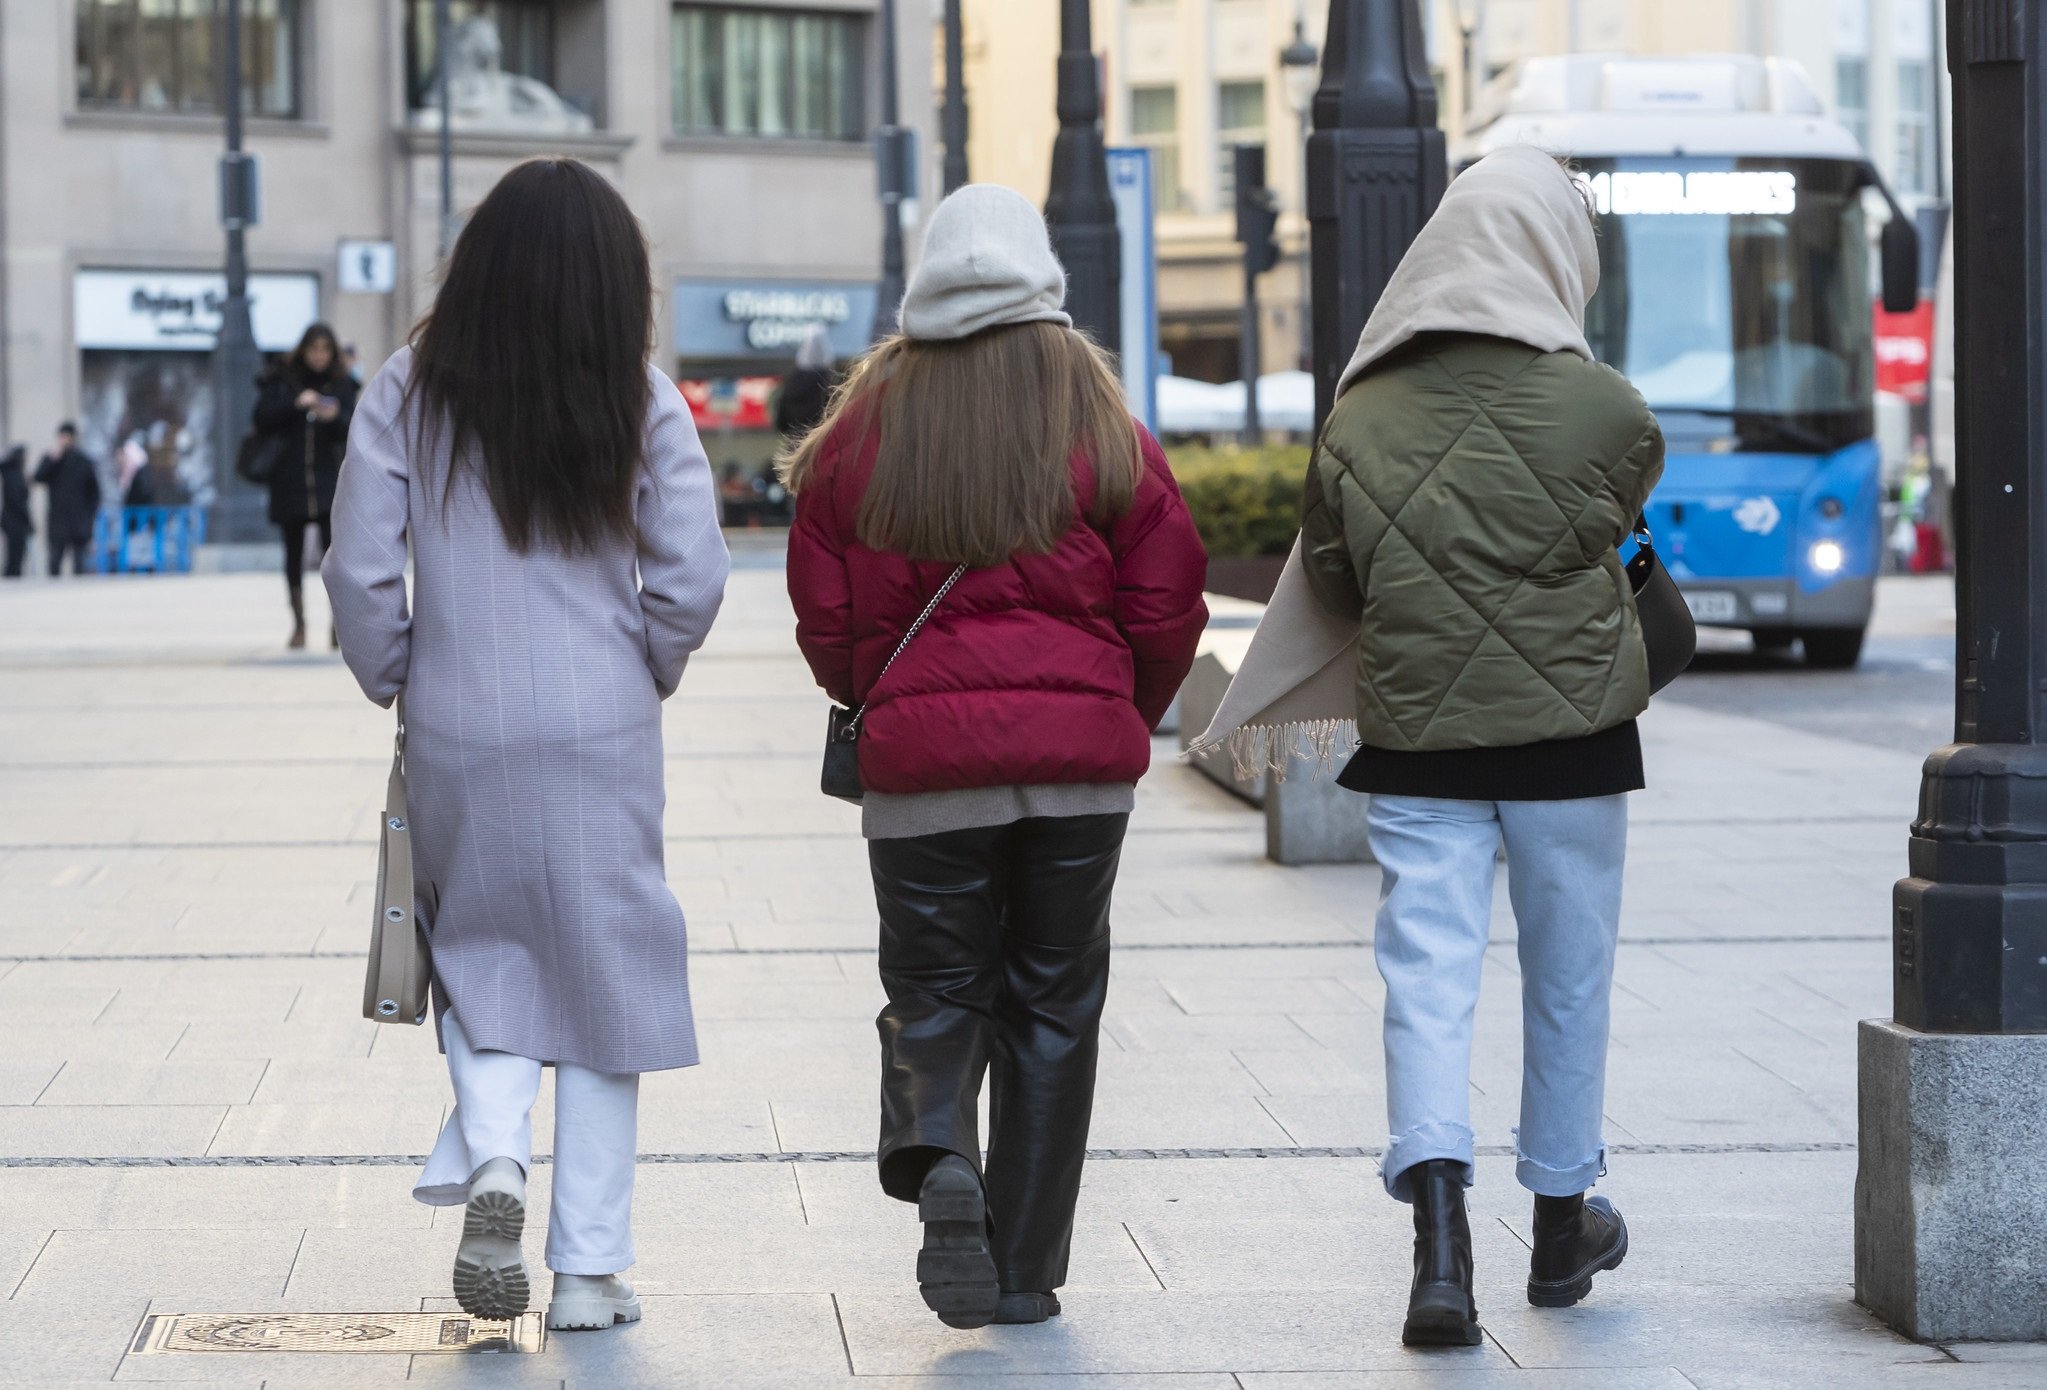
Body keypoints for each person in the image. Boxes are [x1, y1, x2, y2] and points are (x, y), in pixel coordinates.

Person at [1198, 147, 1662, 1348]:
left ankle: (1440, 1250)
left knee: (1426, 983)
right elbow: (1618, 538)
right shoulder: (1610, 410)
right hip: (1573, 745)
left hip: (1417, 743)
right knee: (1568, 979)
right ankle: (1559, 1227)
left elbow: (1335, 579)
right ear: (1555, 253)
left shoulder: (1360, 414)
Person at [782, 184, 1208, 1331]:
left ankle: (938, 1157)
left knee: (934, 987)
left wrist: (879, 699)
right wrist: (1113, 715)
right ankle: (1021, 1271)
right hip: (1079, 778)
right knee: (1054, 1004)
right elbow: (1167, 601)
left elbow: (826, 613)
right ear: (1043, 277)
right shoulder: (1098, 413)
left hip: (922, 774)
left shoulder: (865, 425)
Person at [323, 157, 730, 1332]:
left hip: (461, 719)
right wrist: (646, 663)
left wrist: (397, 671)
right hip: (603, 723)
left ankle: (495, 1154)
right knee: (606, 976)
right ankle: (589, 1273)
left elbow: (358, 566)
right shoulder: (640, 396)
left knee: (481, 952)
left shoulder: (407, 388)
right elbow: (694, 574)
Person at [254, 323, 358, 648]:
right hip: (290, 478)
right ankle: (298, 624)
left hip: (329, 479)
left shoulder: (341, 383)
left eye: (325, 349)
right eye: (314, 348)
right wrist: (297, 403)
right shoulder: (283, 379)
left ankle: (337, 624)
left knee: (335, 555)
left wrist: (334, 417)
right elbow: (261, 417)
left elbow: (355, 427)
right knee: (293, 552)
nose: (319, 356)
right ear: (304, 349)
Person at [33, 424, 101, 576]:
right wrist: (51, 461)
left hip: (79, 521)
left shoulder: (84, 462)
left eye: (66, 437)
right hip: (58, 521)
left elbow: (94, 494)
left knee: (79, 565)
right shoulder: (53, 460)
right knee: (54, 562)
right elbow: (38, 477)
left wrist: (89, 517)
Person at [773, 324, 837, 442]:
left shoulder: (792, 383)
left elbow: (781, 420)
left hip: (795, 442)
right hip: (820, 442)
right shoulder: (828, 385)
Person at [1, 446, 31, 578]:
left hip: (14, 521)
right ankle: (12, 577)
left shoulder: (14, 473)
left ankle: (13, 576)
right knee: (15, 554)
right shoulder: (13, 474)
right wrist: (28, 521)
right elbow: (18, 501)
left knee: (16, 554)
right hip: (14, 521)